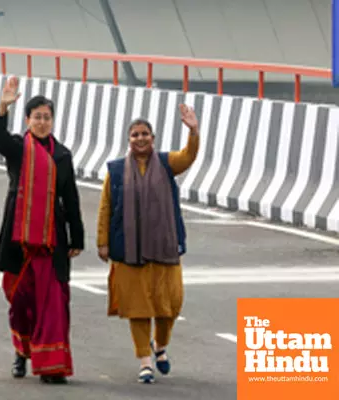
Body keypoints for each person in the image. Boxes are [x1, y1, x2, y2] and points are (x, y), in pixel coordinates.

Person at [96, 104, 200, 384]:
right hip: (129, 251)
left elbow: (189, 156)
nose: (140, 139)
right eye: (135, 135)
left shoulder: (167, 164)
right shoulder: (116, 171)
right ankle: (144, 360)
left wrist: (193, 131)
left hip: (165, 248)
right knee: (138, 308)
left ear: (153, 139)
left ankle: (160, 346)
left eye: (145, 134)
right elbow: (106, 207)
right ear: (128, 141)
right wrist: (102, 242)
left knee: (170, 306)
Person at [0, 76, 85, 384]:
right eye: (37, 117)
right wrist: (3, 107)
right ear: (28, 120)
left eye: (47, 117)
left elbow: (70, 197)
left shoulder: (62, 155)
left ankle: (51, 366)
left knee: (53, 302)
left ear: (53, 121)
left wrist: (76, 236)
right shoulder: (18, 148)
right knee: (20, 300)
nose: (42, 122)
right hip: (20, 239)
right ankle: (22, 352)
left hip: (52, 240)